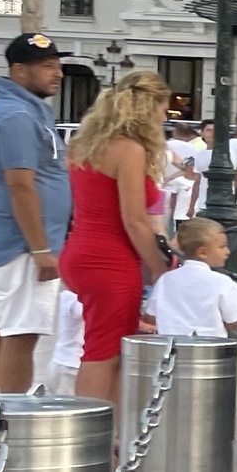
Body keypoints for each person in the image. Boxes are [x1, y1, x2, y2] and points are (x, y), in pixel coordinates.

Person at [59, 74, 171, 411]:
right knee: (103, 351)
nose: (166, 118)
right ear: (147, 108)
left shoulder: (84, 145)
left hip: (81, 249)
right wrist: (157, 265)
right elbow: (134, 219)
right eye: (164, 109)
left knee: (107, 347)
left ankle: (109, 436)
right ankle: (89, 438)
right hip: (111, 258)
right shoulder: (130, 150)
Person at [0, 32, 72, 393]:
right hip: (22, 246)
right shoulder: (19, 117)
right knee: (20, 334)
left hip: (12, 242)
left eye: (57, 66)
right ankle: (9, 421)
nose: (57, 73)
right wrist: (41, 249)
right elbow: (20, 184)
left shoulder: (23, 112)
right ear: (19, 71)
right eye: (47, 67)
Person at [151, 218, 237, 338]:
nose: (228, 251)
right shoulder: (224, 282)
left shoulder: (165, 280)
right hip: (210, 349)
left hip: (170, 348)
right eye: (222, 246)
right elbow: (234, 321)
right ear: (202, 252)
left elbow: (151, 314)